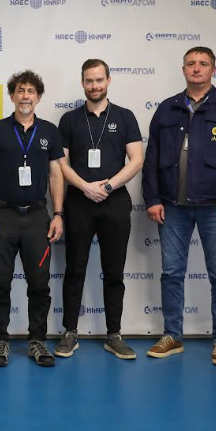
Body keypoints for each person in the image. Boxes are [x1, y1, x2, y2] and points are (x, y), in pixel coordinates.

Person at [142, 46, 216, 366]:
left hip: (215, 207)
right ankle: (172, 336)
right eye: (191, 63)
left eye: (203, 64)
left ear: (213, 70)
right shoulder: (167, 108)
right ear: (183, 69)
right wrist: (152, 199)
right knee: (171, 273)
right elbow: (151, 160)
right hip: (172, 207)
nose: (196, 68)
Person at [55, 59, 144, 360]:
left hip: (115, 202)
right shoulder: (69, 119)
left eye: (99, 80)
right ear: (82, 83)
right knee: (74, 269)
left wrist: (107, 186)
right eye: (89, 81)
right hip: (79, 202)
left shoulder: (125, 116)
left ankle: (114, 334)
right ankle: (70, 332)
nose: (94, 86)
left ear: (108, 80)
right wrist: (85, 186)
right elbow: (60, 163)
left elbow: (136, 159)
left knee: (114, 271)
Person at [0, 70, 64, 368]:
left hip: (38, 217)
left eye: (30, 91)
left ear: (38, 97)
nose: (25, 96)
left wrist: (58, 214)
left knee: (39, 284)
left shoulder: (50, 131)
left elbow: (56, 174)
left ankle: (37, 340)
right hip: (3, 216)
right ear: (12, 95)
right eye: (20, 90)